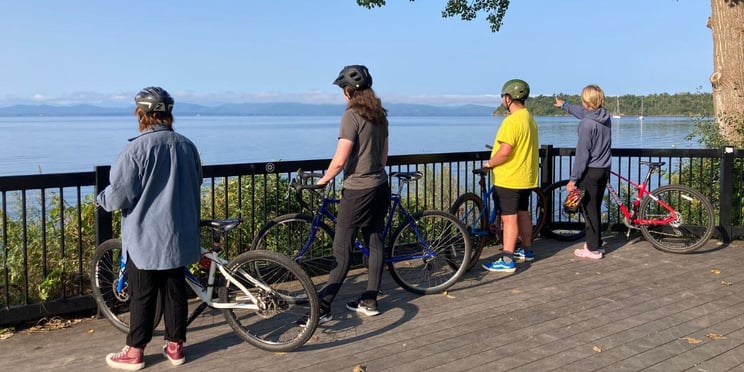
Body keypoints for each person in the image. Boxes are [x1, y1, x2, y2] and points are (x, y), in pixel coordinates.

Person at [97, 87, 203, 370]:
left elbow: (119, 195)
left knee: (142, 294)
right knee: (175, 290)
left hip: (146, 235)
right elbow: (197, 180)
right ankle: (175, 347)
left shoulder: (135, 149)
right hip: (179, 232)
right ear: (167, 114)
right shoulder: (186, 145)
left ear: (141, 114)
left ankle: (134, 351)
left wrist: (102, 200)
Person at [310, 65, 390, 323]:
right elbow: (384, 156)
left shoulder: (351, 115)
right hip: (380, 185)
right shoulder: (380, 115)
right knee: (374, 241)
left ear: (348, 91)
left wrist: (324, 180)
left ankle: (322, 307)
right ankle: (369, 300)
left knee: (342, 248)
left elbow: (340, 158)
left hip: (358, 190)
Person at [481, 79, 540, 273]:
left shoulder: (511, 121)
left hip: (509, 178)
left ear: (508, 98)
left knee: (509, 218)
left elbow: (505, 151)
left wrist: (489, 163)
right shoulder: (529, 119)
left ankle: (507, 259)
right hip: (526, 177)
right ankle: (527, 250)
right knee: (523, 213)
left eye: (502, 96)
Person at [554, 85, 612, 259]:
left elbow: (582, 155)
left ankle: (592, 249)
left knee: (589, 210)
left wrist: (573, 180)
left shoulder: (587, 124)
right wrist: (565, 105)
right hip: (604, 169)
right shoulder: (605, 117)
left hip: (590, 171)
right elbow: (583, 112)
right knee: (594, 206)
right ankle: (596, 244)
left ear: (586, 100)